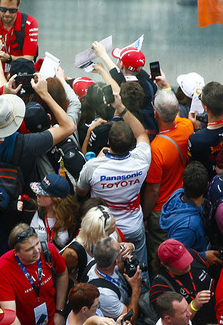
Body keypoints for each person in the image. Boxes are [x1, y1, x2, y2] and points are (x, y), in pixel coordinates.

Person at [76, 88, 152, 266]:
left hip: (104, 228)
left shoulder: (93, 166)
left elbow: (80, 192)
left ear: (108, 142)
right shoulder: (141, 160)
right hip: (133, 226)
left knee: (105, 267)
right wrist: (121, 107)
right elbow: (141, 133)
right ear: (132, 143)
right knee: (139, 267)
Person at [0, 224, 69, 325]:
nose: (36, 251)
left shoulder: (48, 250)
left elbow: (62, 273)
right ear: (16, 252)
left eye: (37, 244)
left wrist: (60, 311)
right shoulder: (3, 267)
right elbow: (10, 315)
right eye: (29, 249)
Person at [142, 90, 195, 258]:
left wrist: (143, 215)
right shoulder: (187, 125)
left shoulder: (156, 148)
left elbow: (153, 190)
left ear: (155, 113)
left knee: (161, 258)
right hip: (183, 203)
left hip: (161, 211)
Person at [159, 161, 221, 265]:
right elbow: (173, 255)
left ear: (183, 184)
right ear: (207, 186)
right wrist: (203, 256)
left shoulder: (178, 194)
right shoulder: (189, 226)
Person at [149, 240, 213, 325]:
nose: (188, 265)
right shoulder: (160, 286)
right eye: (181, 264)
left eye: (186, 259)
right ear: (166, 265)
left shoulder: (193, 254)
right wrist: (194, 305)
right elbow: (172, 324)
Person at [187, 82, 223, 178]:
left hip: (208, 187)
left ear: (205, 107)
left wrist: (197, 129)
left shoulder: (195, 139)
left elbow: (194, 170)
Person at [30, 174, 79, 248]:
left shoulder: (72, 219)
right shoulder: (33, 209)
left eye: (43, 194)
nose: (37, 195)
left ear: (56, 199)